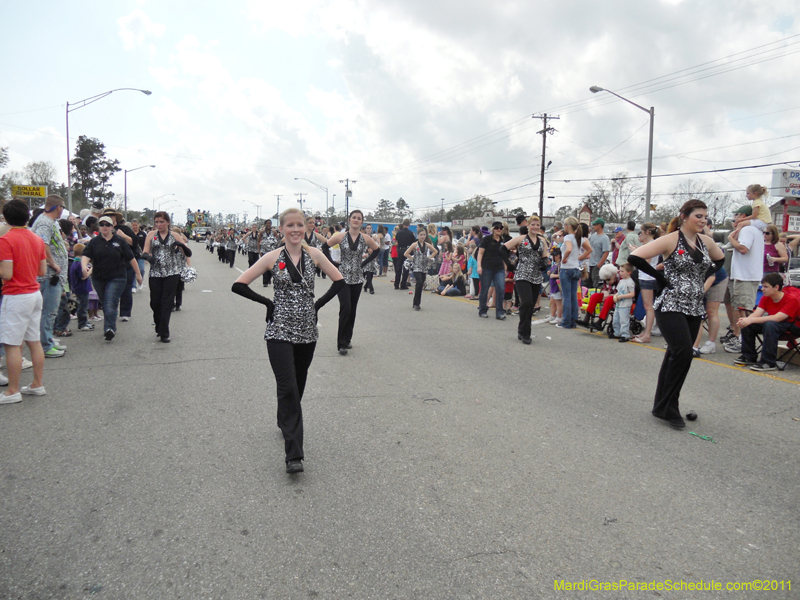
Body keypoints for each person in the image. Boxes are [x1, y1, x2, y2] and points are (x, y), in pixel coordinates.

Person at [231, 208, 344, 473]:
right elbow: (239, 284)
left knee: (299, 382)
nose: (295, 230)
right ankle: (294, 454)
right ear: (281, 229)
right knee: (288, 386)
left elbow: (339, 281)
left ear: (305, 228)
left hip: (307, 331)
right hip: (279, 331)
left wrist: (316, 306)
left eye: (299, 225)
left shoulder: (314, 255)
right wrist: (267, 303)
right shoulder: (272, 257)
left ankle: (286, 420)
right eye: (290, 225)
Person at [629, 199, 724, 430]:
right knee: (683, 353)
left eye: (705, 216)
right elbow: (635, 258)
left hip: (694, 306)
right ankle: (670, 407)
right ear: (684, 216)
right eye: (698, 216)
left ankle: (661, 405)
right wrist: (661, 278)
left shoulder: (705, 242)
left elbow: (720, 260)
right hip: (671, 304)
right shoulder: (671, 239)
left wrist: (705, 275)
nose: (703, 220)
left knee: (676, 354)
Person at [0, 200, 47, 403]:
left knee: (12, 344)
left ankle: (13, 390)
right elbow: (42, 271)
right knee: (34, 341)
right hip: (34, 293)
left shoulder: (6, 240)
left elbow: (7, 273)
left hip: (16, 295)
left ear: (7, 218)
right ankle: (37, 384)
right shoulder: (36, 239)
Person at [324, 210, 380, 354]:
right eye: (354, 217)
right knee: (346, 308)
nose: (356, 220)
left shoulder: (365, 238)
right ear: (349, 220)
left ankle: (348, 339)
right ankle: (341, 343)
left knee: (353, 310)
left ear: (361, 221)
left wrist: (363, 263)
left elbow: (376, 250)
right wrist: (333, 265)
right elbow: (325, 247)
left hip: (358, 278)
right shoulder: (340, 236)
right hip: (342, 279)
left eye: (359, 218)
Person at [81, 215, 143, 341]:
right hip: (99, 278)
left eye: (107, 224)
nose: (104, 227)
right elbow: (86, 255)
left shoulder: (119, 241)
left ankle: (109, 328)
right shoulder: (94, 242)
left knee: (110, 302)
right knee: (105, 303)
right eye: (102, 224)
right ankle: (109, 325)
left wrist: (138, 274)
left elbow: (131, 258)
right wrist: (84, 267)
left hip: (117, 277)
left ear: (111, 227)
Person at [141, 212, 191, 343]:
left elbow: (188, 252)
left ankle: (164, 331)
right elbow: (144, 252)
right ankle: (158, 324)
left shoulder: (175, 235)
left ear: (167, 222)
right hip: (156, 273)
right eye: (156, 222)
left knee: (167, 302)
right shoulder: (151, 235)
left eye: (161, 222)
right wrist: (149, 257)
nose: (159, 225)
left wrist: (181, 245)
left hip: (172, 273)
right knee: (155, 302)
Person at [734, 272, 800, 372]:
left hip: (793, 326)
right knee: (749, 324)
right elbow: (757, 314)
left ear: (776, 287)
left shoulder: (791, 300)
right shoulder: (766, 298)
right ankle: (749, 356)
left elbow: (778, 318)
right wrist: (747, 320)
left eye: (766, 287)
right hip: (776, 324)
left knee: (770, 324)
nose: (762, 289)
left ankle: (768, 362)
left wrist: (751, 319)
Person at [30, 194, 69, 358]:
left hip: (53, 276)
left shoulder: (49, 222)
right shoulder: (45, 222)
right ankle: (46, 345)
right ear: (58, 207)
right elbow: (42, 244)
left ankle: (48, 340)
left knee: (50, 311)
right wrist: (53, 263)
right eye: (62, 208)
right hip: (49, 276)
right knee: (49, 311)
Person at [723, 206, 764, 353]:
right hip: (742, 275)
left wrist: (730, 239)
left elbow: (743, 248)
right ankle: (741, 338)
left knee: (743, 311)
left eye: (737, 216)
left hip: (746, 276)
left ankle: (743, 341)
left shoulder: (748, 230)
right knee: (740, 308)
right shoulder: (752, 230)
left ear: (745, 216)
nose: (735, 220)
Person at [503, 217, 549, 344]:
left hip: (536, 276)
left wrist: (544, 263)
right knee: (527, 302)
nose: (535, 227)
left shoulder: (542, 241)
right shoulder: (521, 239)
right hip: (522, 274)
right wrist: (510, 264)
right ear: (528, 226)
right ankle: (526, 333)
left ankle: (521, 329)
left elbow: (545, 256)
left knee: (530, 306)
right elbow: (503, 249)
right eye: (533, 224)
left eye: (537, 225)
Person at [558, 217, 592, 329]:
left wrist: (564, 259)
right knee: (573, 297)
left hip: (566, 268)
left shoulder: (568, 237)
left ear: (568, 226)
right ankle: (573, 320)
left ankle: (566, 321)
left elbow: (568, 249)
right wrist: (579, 258)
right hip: (576, 268)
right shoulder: (580, 238)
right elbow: (589, 250)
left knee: (566, 297)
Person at [631, 223, 661, 344]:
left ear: (647, 232)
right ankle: (646, 332)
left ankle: (647, 334)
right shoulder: (651, 244)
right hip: (647, 277)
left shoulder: (651, 244)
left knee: (649, 307)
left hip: (648, 277)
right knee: (648, 306)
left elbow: (646, 261)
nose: (640, 234)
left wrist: (635, 252)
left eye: (641, 232)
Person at [478, 221, 511, 320]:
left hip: (499, 268)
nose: (499, 230)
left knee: (501, 289)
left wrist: (505, 268)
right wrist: (479, 266)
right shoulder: (487, 239)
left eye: (501, 228)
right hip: (487, 267)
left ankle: (500, 312)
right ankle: (483, 310)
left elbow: (504, 255)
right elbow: (480, 253)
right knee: (485, 289)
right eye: (497, 228)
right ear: (493, 229)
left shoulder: (503, 241)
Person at [404, 226, 439, 310]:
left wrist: (429, 258)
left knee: (421, 284)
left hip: (424, 267)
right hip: (416, 267)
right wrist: (413, 259)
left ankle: (417, 301)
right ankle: (416, 303)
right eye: (421, 235)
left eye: (424, 235)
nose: (422, 236)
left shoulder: (427, 244)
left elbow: (435, 251)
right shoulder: (415, 244)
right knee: (419, 282)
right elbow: (406, 253)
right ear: (418, 235)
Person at [68, 243, 93, 332]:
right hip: (82, 288)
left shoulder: (75, 262)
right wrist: (90, 270)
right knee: (83, 306)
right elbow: (83, 276)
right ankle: (82, 324)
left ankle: (85, 322)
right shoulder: (79, 264)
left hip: (79, 288)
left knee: (83, 305)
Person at [611, 263, 636, 342]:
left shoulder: (630, 282)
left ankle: (625, 335)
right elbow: (618, 291)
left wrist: (621, 296)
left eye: (622, 271)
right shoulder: (621, 281)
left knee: (624, 320)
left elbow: (632, 294)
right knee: (616, 319)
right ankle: (617, 332)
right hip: (619, 304)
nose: (620, 273)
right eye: (620, 271)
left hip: (625, 304)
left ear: (629, 272)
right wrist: (616, 295)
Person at [587, 218, 611, 288]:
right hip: (589, 265)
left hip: (596, 265)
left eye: (594, 225)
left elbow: (606, 252)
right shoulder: (593, 236)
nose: (593, 226)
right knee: (588, 285)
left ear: (599, 226)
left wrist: (599, 265)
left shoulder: (605, 238)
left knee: (596, 285)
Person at [394, 220, 415, 290]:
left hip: (400, 250)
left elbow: (396, 240)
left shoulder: (399, 233)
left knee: (398, 267)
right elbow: (413, 242)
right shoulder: (411, 233)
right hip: (407, 251)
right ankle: (403, 284)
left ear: (403, 224)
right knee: (406, 267)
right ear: (409, 225)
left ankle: (396, 283)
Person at [259, 220, 278, 287]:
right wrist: (259, 250)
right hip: (264, 251)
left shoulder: (274, 232)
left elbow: (277, 240)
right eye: (267, 223)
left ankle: (269, 278)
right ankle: (265, 282)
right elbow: (259, 241)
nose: (268, 224)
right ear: (265, 224)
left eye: (269, 223)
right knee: (265, 266)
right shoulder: (262, 232)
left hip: (272, 251)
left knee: (271, 267)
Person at [547, 247, 563, 324]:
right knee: (552, 301)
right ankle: (552, 315)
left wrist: (554, 275)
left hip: (557, 286)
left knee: (558, 302)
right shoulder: (556, 264)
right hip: (553, 286)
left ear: (557, 256)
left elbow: (562, 274)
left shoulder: (561, 264)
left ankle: (559, 317)